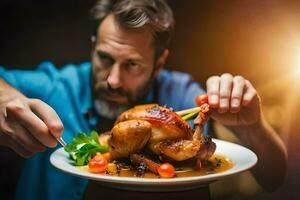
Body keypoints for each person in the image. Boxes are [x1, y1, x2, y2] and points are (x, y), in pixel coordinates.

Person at [0, 0, 287, 199]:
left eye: (132, 65)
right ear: (93, 46)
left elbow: (274, 178)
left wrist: (252, 124)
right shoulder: (57, 86)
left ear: (159, 63)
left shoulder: (183, 95)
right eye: (104, 58)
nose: (112, 79)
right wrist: (5, 96)